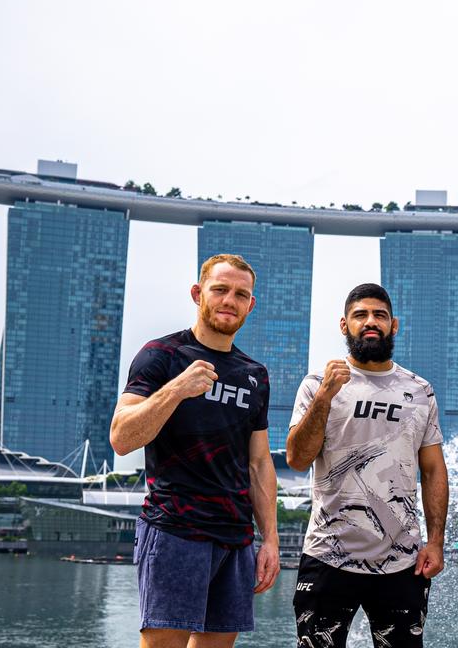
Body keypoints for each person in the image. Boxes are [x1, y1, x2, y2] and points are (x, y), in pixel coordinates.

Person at [109, 253, 280, 648]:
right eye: (220, 290)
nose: (229, 301)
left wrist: (268, 538)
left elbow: (258, 463)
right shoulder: (161, 356)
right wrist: (176, 389)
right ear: (197, 293)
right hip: (175, 529)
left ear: (250, 305)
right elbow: (121, 437)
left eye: (241, 294)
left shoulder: (254, 375)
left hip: (235, 538)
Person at [285, 282, 448, 648]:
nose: (370, 322)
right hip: (327, 555)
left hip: (402, 561)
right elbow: (296, 458)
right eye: (360, 315)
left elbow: (434, 470)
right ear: (344, 325)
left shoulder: (420, 390)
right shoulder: (316, 385)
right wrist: (326, 396)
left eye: (379, 315)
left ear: (394, 325)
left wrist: (435, 543)